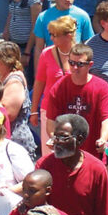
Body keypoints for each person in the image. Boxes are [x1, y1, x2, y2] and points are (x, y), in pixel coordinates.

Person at [45, 43, 108, 157]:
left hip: (92, 152)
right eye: (71, 63)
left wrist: (103, 139)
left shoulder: (102, 87)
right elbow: (51, 120)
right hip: (65, 152)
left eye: (80, 64)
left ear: (90, 65)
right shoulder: (59, 87)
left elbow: (107, 119)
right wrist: (54, 138)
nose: (75, 68)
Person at [31, 15, 75, 157]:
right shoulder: (46, 53)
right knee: (49, 151)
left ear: (68, 36)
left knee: (72, 151)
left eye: (55, 35)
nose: (51, 38)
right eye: (50, 34)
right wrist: (34, 110)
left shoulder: (80, 54)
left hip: (73, 109)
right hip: (49, 109)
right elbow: (39, 82)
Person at [0, 41, 37, 158]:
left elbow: (8, 114)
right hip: (5, 140)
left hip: (16, 142)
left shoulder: (14, 82)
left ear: (8, 61)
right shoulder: (1, 77)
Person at [33, 0, 95, 67]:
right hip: (52, 64)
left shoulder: (82, 15)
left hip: (75, 65)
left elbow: (89, 44)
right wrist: (37, 74)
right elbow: (39, 48)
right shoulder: (43, 17)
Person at [4, 0, 42, 78]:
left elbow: (35, 26)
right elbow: (11, 14)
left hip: (25, 46)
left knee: (25, 77)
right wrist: (6, 30)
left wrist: (27, 52)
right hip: (13, 44)